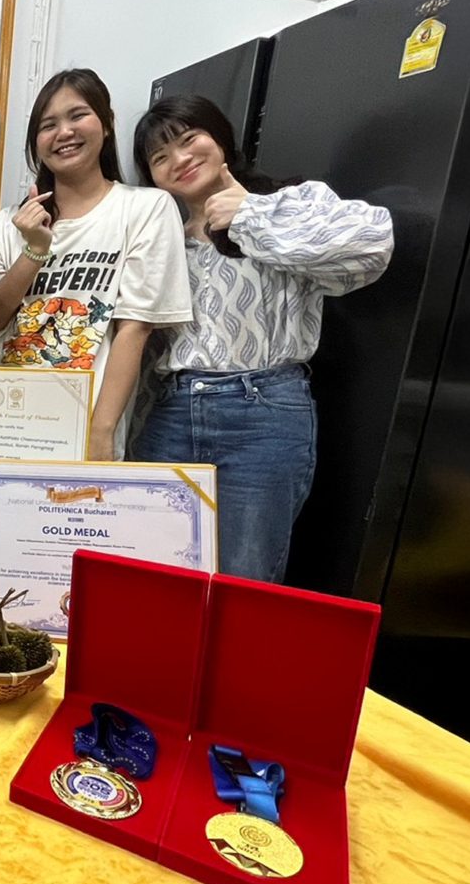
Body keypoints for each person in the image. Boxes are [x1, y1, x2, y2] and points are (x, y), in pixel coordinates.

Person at [130, 93, 393, 583]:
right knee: (149, 568)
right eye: (160, 157)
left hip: (263, 409)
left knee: (243, 575)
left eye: (189, 139)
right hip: (172, 411)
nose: (179, 159)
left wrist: (251, 214)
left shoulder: (288, 202)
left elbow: (374, 245)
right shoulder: (164, 238)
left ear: (220, 137)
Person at [0, 68, 189, 460]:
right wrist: (34, 251)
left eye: (78, 116)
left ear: (106, 123)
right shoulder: (4, 226)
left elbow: (135, 328)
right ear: (35, 142)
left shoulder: (145, 209)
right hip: (0, 427)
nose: (64, 132)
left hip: (83, 430)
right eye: (48, 125)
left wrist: (101, 432)